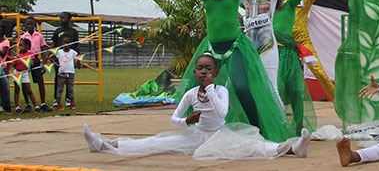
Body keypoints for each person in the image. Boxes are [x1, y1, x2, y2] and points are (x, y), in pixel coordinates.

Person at [84, 53, 310, 160]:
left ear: (216, 73)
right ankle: (105, 144)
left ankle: (293, 149)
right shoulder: (191, 94)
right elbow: (174, 120)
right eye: (200, 68)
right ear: (194, 72)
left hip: (219, 134)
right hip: (195, 136)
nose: (204, 72)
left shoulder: (220, 91)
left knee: (253, 146)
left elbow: (222, 113)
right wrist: (187, 121)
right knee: (154, 142)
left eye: (208, 69)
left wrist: (210, 89)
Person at [178, 0, 291, 143]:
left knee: (248, 87)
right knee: (201, 87)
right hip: (215, 47)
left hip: (249, 47)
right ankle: (198, 126)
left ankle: (261, 128)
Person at [233, 0, 286, 98]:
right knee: (249, 89)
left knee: (272, 89)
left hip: (267, 48)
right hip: (250, 50)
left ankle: (278, 116)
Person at [280, 0, 334, 101]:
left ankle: (338, 101)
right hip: (283, 41)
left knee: (319, 72)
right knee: (281, 75)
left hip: (303, 41)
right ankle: (282, 106)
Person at [273, 0, 317, 135]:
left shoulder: (290, 5)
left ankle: (298, 128)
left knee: (296, 90)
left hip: (289, 53)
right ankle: (276, 127)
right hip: (272, 54)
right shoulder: (264, 9)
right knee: (276, 90)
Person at [20, 16, 51, 111]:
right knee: (24, 82)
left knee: (40, 81)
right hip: (25, 59)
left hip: (36, 59)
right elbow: (20, 49)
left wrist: (44, 63)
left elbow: (44, 49)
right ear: (25, 25)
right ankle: (28, 104)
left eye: (31, 24)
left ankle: (43, 103)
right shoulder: (23, 36)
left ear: (35, 25)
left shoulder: (39, 36)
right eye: (28, 24)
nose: (29, 26)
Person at [52, 11, 79, 108]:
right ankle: (56, 99)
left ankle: (68, 98)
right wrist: (52, 57)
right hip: (60, 58)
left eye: (63, 18)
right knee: (58, 80)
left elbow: (76, 45)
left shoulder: (73, 32)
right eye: (60, 18)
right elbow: (53, 44)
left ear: (69, 19)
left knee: (69, 81)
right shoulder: (58, 31)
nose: (61, 20)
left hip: (69, 59)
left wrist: (77, 59)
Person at [8, 38, 40, 113]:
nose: (19, 47)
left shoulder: (30, 54)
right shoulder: (18, 56)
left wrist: (22, 59)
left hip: (25, 73)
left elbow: (31, 64)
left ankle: (36, 106)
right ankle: (17, 107)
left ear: (27, 47)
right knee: (17, 90)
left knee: (29, 90)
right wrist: (15, 61)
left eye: (21, 45)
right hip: (17, 73)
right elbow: (15, 66)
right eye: (19, 45)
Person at [54, 34, 78, 110]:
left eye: (67, 43)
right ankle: (59, 103)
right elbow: (51, 57)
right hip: (61, 72)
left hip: (70, 72)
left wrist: (76, 63)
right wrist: (56, 63)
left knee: (70, 89)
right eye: (64, 42)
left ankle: (72, 103)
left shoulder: (73, 52)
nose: (66, 44)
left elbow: (77, 58)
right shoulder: (59, 52)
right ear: (62, 43)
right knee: (60, 89)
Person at [0, 29, 11, 113]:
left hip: (1, 67)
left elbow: (3, 54)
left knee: (5, 86)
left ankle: (7, 106)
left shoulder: (6, 42)